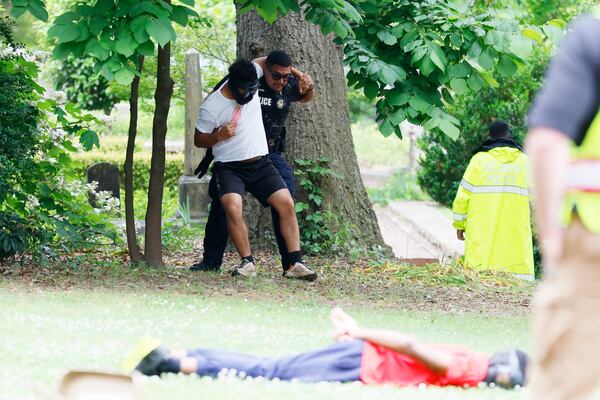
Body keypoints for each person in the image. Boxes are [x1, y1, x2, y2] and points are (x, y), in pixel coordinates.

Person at [125, 307, 528, 389]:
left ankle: (178, 356)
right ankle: (174, 362)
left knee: (271, 366)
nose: (506, 383)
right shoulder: (470, 370)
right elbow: (409, 344)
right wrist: (359, 332)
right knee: (271, 370)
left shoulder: (474, 357)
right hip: (358, 363)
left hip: (360, 360)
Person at [525, 10, 600, 400]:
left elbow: (547, 142)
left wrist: (551, 236)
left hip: (592, 241)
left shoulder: (593, 35)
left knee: (565, 386)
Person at [191, 50, 316, 280]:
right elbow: (199, 139)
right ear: (232, 83)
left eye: (253, 89)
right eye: (245, 90)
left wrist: (300, 74)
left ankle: (294, 262)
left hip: (261, 161)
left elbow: (265, 60)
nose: (250, 94)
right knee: (230, 206)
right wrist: (218, 136)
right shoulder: (213, 104)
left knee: (286, 201)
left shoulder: (254, 77)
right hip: (228, 166)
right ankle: (244, 262)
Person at [452, 120, 534, 280]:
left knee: (480, 271)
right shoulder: (525, 162)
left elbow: (463, 195)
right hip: (515, 233)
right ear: (508, 135)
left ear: (490, 136)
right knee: (516, 262)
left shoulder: (479, 161)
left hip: (482, 234)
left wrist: (459, 225)